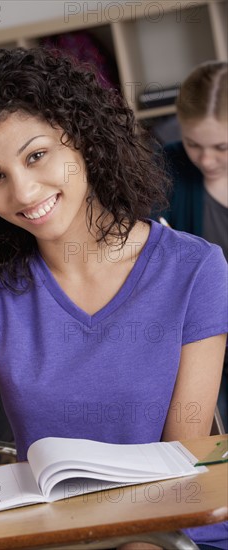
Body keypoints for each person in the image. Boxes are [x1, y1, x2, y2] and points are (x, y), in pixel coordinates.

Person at [0, 49, 227, 550]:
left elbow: (182, 455)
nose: (24, 191)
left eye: (36, 156)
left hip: (169, 527)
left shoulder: (195, 269)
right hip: (51, 533)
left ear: (83, 141)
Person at [160, 61, 228, 432]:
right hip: (199, 349)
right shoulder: (166, 168)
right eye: (193, 144)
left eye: (221, 147)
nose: (205, 159)